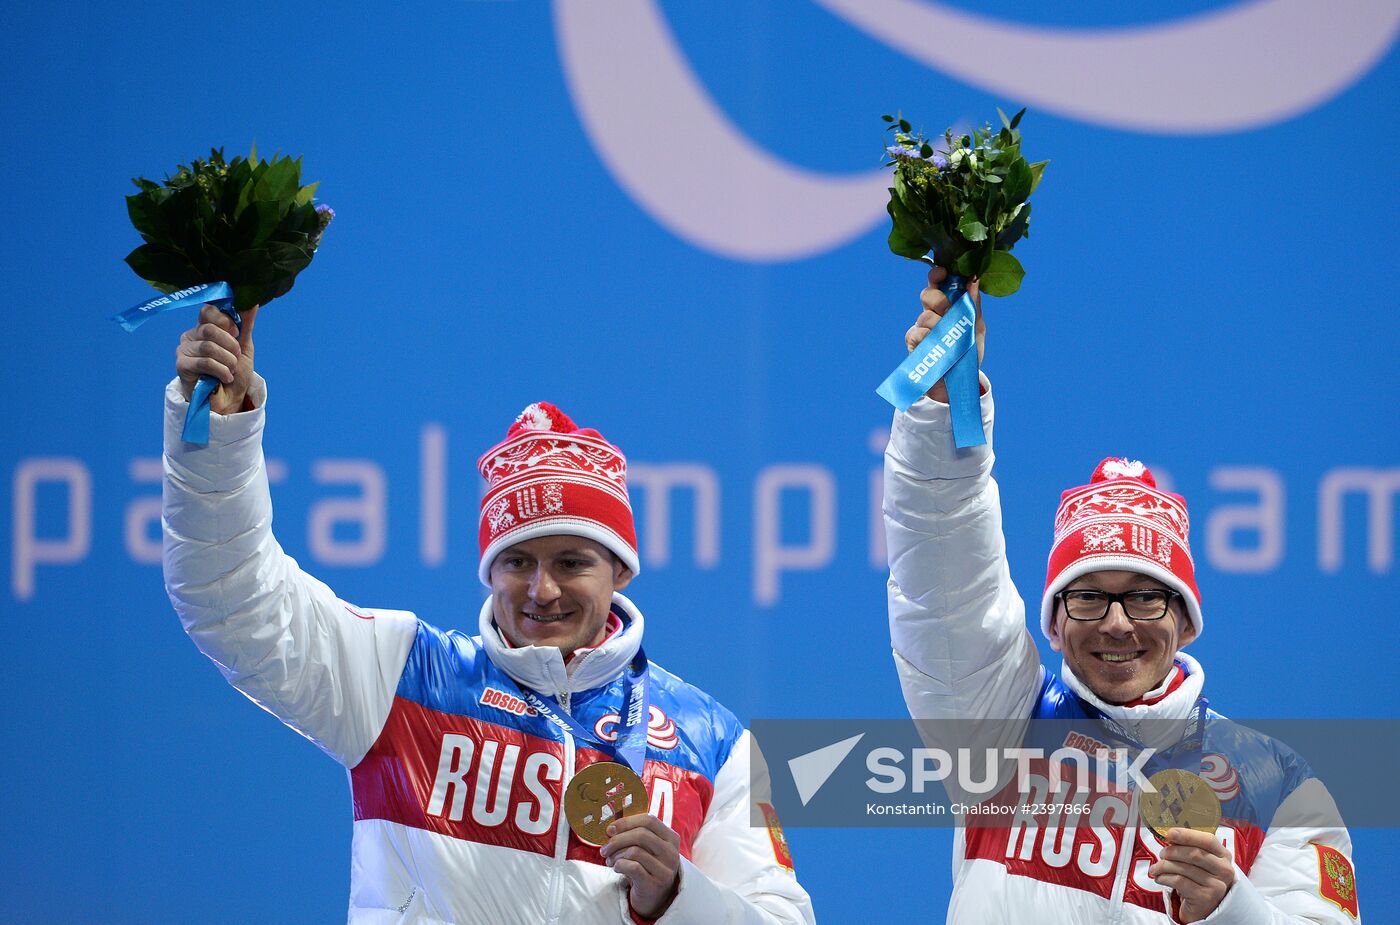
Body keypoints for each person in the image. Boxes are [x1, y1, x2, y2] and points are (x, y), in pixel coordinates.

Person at [164, 305, 815, 925]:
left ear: (620, 570)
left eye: (570, 561)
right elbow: (233, 598)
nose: (542, 589)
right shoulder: (401, 676)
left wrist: (678, 894)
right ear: (489, 571)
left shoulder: (716, 741)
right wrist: (220, 436)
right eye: (517, 561)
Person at [883, 269, 1359, 923]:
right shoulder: (1001, 722)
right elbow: (946, 578)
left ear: (1187, 620)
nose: (1115, 623)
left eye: (1144, 597)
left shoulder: (1278, 784)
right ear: (1052, 623)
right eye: (1087, 598)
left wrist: (1230, 909)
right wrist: (940, 411)